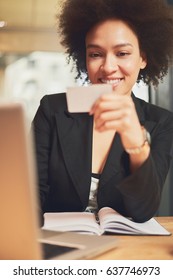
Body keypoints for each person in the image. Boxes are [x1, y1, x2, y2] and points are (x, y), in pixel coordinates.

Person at [32, 0, 173, 225]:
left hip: (125, 251)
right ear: (84, 58)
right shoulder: (52, 110)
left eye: (122, 53)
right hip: (61, 247)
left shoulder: (161, 122)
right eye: (96, 54)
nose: (108, 67)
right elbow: (31, 196)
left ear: (143, 58)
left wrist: (136, 143)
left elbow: (144, 211)